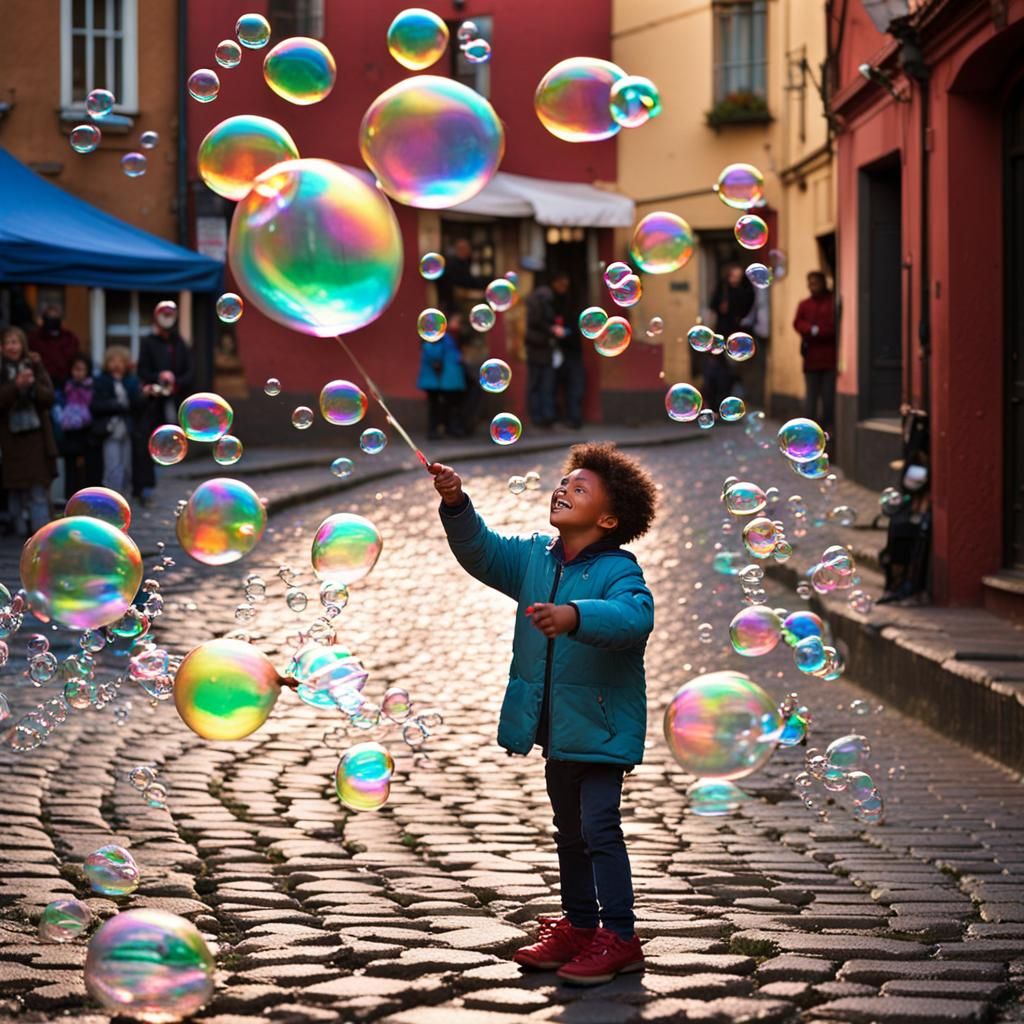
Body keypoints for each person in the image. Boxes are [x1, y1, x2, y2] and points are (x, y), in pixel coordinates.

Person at [430, 442, 657, 986]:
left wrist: (574, 614)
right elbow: (481, 553)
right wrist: (457, 503)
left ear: (607, 517)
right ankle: (580, 926)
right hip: (555, 730)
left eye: (580, 489)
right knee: (569, 831)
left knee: (599, 827)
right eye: (564, 483)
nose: (563, 490)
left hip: (600, 728)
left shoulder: (619, 571)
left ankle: (621, 936)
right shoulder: (535, 557)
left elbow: (634, 619)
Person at [0, 327, 57, 535]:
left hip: (36, 440)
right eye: (8, 342)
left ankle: (40, 536)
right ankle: (19, 535)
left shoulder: (34, 365)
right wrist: (16, 386)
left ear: (23, 345)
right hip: (10, 440)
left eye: (16, 342)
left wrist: (31, 387)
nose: (12, 347)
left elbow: (49, 397)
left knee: (37, 491)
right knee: (15, 492)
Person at [135, 304, 194, 501]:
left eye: (171, 315)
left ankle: (157, 476)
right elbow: (142, 371)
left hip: (175, 400)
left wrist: (176, 381)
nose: (167, 318)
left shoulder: (180, 343)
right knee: (148, 440)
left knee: (173, 438)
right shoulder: (148, 342)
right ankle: (146, 485)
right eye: (164, 315)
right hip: (154, 401)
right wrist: (158, 377)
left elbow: (190, 374)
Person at [92, 346, 143, 497]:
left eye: (121, 361)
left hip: (127, 429)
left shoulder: (132, 382)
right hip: (110, 430)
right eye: (112, 361)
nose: (116, 365)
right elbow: (95, 405)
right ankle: (112, 498)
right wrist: (117, 405)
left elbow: (137, 405)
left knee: (127, 467)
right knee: (112, 466)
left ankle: (124, 497)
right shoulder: (101, 381)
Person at [525, 272, 572, 428]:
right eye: (563, 285)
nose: (564, 289)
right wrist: (553, 331)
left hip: (538, 351)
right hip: (542, 350)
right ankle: (545, 418)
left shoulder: (536, 299)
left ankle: (540, 418)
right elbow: (538, 323)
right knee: (544, 385)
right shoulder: (545, 300)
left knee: (538, 386)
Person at [706, 263, 755, 411]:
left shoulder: (744, 291)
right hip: (721, 334)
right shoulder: (723, 289)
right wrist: (720, 305)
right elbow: (712, 304)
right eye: (733, 276)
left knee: (731, 372)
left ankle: (728, 404)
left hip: (737, 336)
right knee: (717, 371)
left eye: (738, 277)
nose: (735, 280)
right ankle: (716, 405)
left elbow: (747, 306)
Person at [793, 271, 837, 433]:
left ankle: (826, 432)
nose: (812, 287)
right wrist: (811, 329)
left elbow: (833, 328)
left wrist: (816, 331)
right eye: (810, 283)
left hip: (829, 359)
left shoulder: (831, 302)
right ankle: (809, 433)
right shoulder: (804, 305)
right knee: (810, 399)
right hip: (810, 359)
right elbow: (797, 323)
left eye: (815, 283)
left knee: (828, 400)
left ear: (823, 283)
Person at [57, 352, 101, 500]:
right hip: (70, 434)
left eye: (81, 369)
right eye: (75, 369)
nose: (78, 373)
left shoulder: (93, 386)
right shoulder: (66, 387)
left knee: (89, 470)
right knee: (71, 470)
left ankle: (88, 500)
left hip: (88, 434)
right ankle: (70, 499)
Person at [417, 311, 466, 441]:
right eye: (456, 321)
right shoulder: (440, 339)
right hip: (437, 379)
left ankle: (443, 429)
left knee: (443, 405)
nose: (458, 325)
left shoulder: (447, 338)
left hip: (439, 379)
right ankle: (437, 430)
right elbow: (435, 356)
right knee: (438, 406)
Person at [28, 304, 81, 389]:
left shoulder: (70, 338)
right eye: (49, 316)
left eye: (55, 317)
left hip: (65, 383)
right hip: (40, 383)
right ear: (43, 319)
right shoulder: (34, 338)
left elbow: (74, 358)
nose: (52, 320)